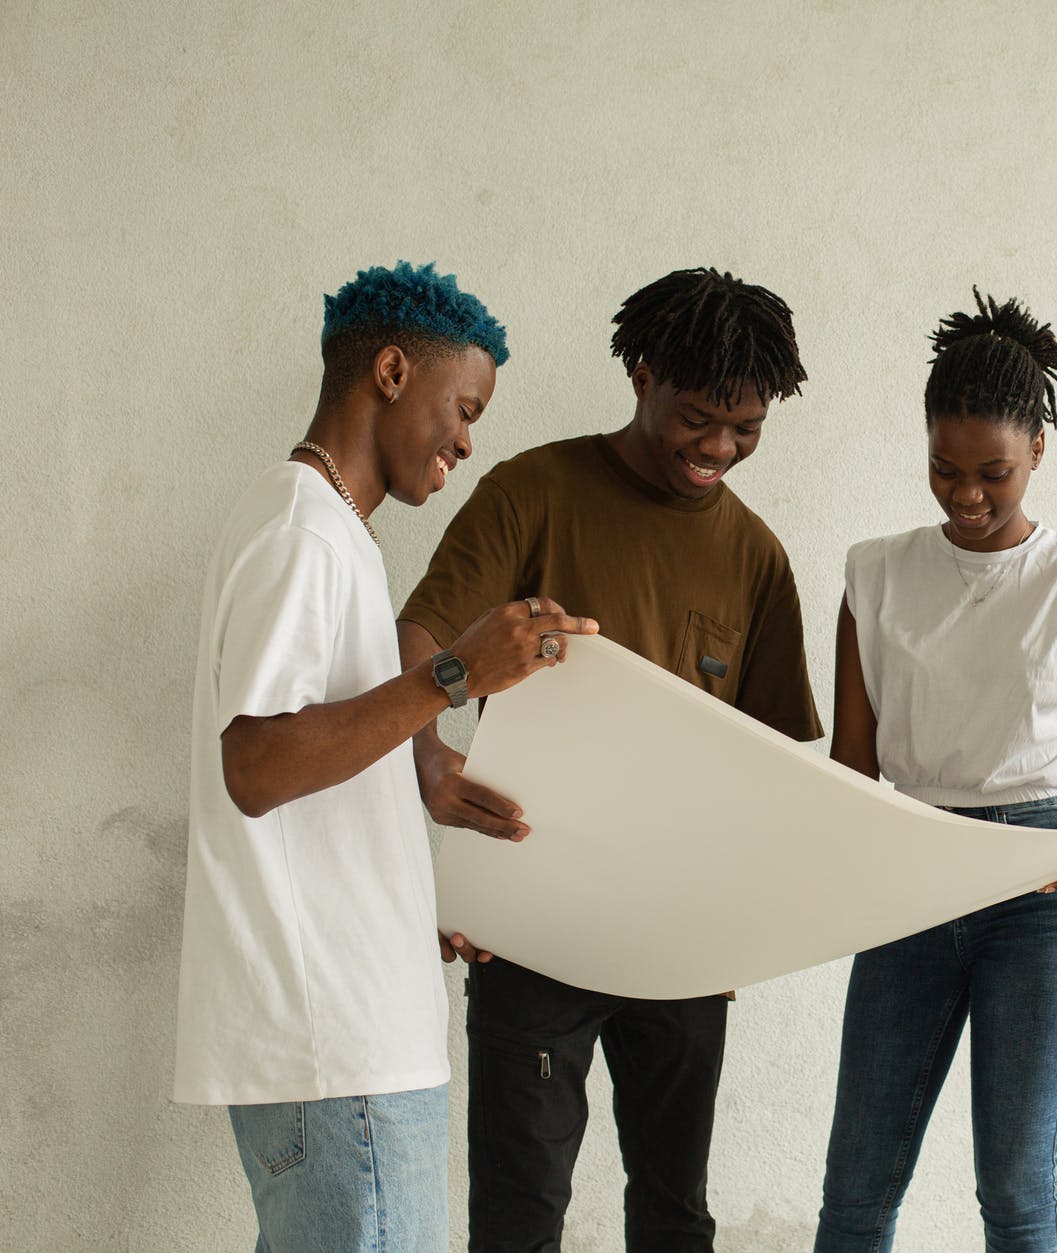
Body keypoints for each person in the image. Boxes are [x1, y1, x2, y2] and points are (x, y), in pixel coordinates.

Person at [175, 261, 598, 1253]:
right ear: (394, 372)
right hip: (340, 1054)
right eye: (464, 406)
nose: (466, 438)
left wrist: (420, 897)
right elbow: (258, 765)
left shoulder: (337, 540)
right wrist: (453, 674)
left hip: (354, 1047)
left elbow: (322, 772)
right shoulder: (299, 531)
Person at [395, 266, 820, 1253]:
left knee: (674, 1213)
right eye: (698, 417)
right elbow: (420, 638)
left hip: (680, 936)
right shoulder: (535, 491)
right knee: (518, 1210)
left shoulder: (755, 555)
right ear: (639, 371)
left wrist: (748, 920)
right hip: (530, 924)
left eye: (746, 427)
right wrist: (428, 760)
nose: (720, 447)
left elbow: (772, 767)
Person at [814, 290, 1057, 1253]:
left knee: (1013, 1182)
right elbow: (851, 765)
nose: (966, 495)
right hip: (909, 880)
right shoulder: (873, 575)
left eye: (993, 472)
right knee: (857, 1182)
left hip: (1045, 885)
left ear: (1039, 446)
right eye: (943, 469)